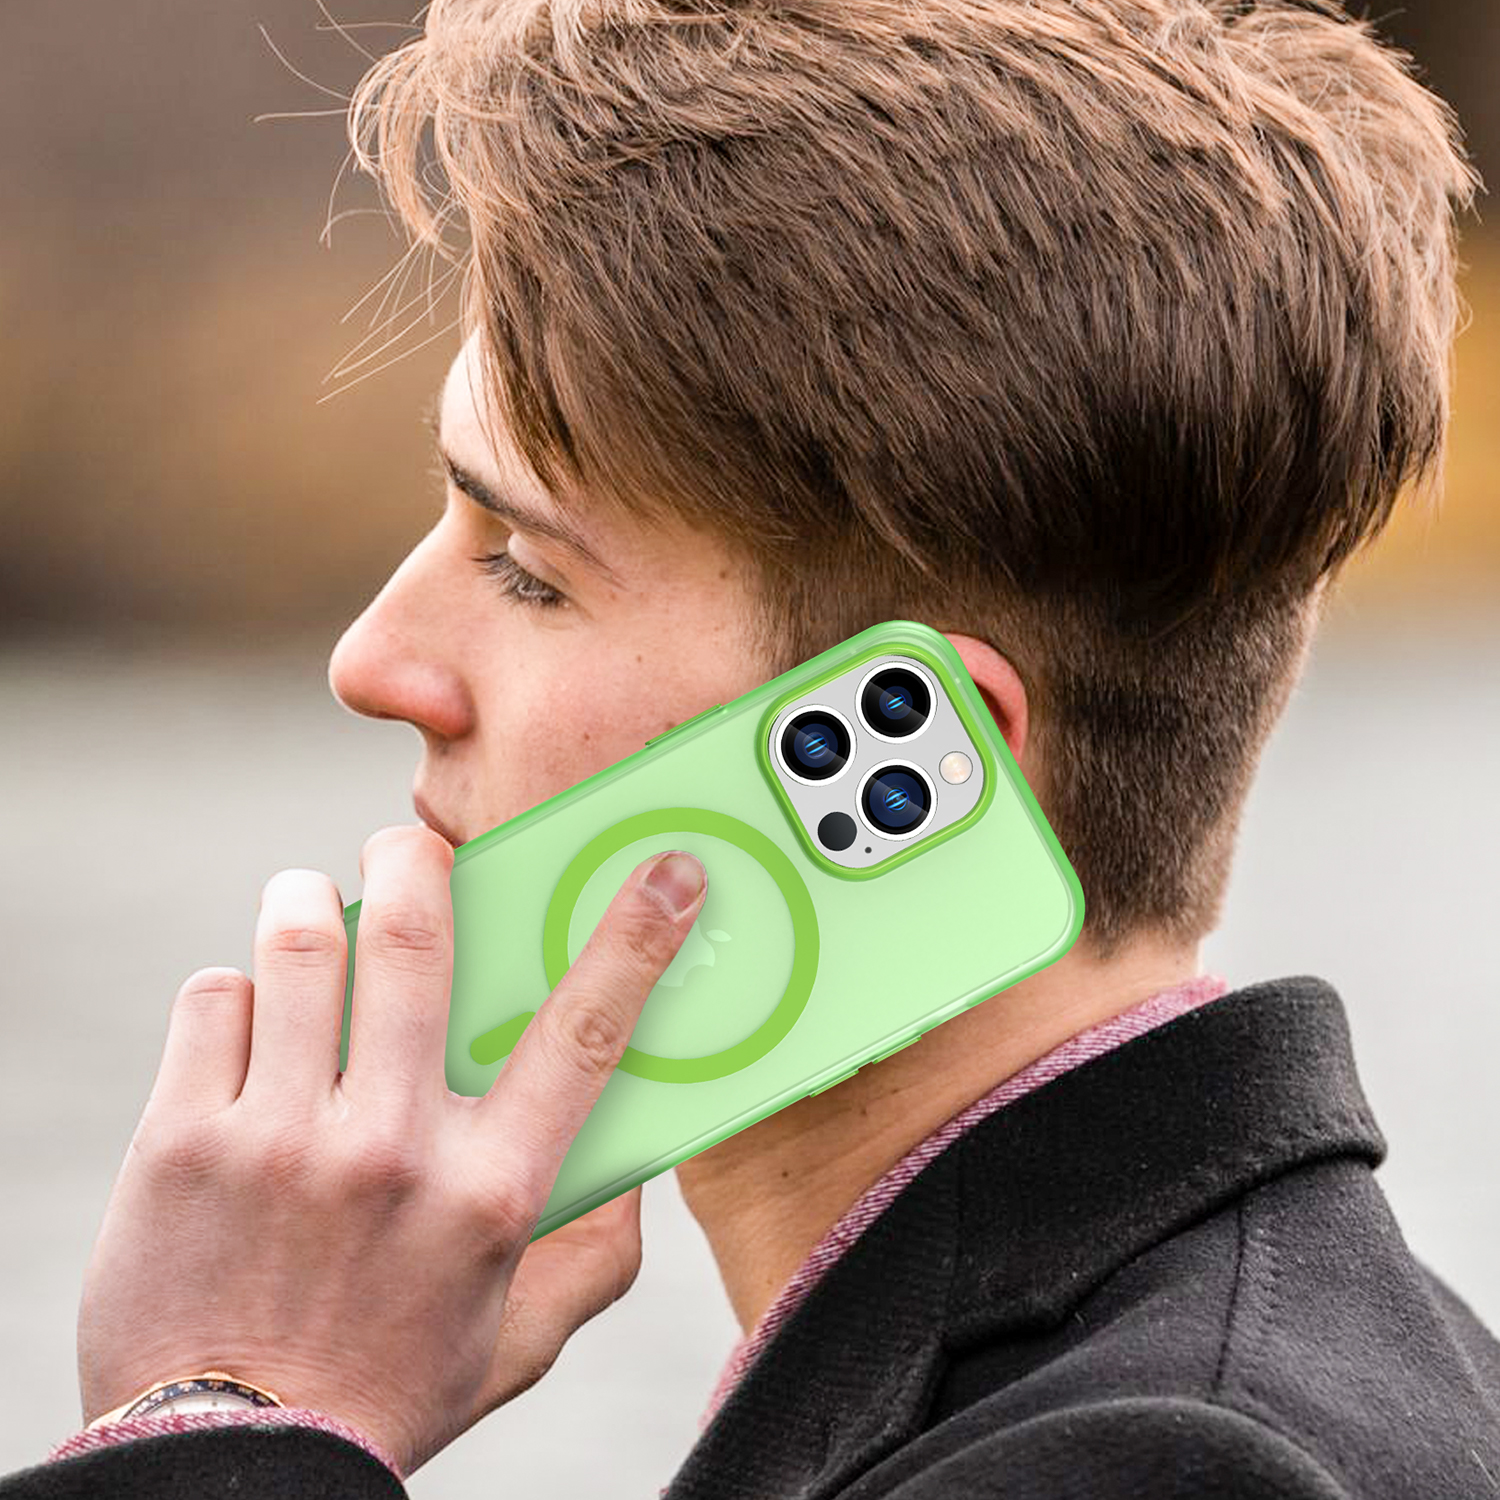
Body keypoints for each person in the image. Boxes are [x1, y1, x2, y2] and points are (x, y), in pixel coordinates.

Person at [4, 0, 1496, 1495]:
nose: (372, 662)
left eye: (527, 569)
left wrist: (235, 1412)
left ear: (925, 770)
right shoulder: (1304, 1372)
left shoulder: (1154, 1466)